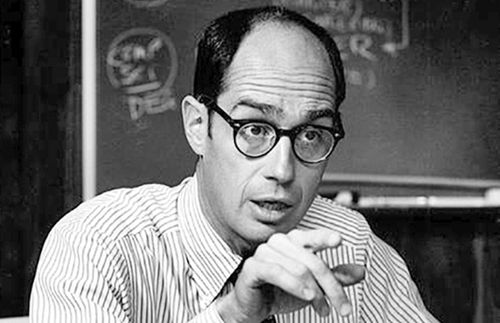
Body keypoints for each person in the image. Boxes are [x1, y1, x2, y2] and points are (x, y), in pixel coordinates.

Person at [30, 6, 438, 323]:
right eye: (255, 128)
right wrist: (235, 314)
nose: (283, 170)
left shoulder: (349, 245)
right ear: (197, 125)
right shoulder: (101, 244)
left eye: (311, 134)